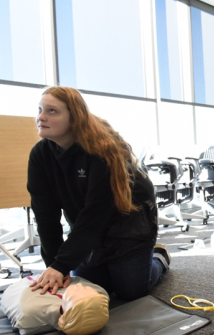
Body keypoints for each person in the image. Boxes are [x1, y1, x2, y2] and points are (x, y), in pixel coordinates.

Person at [28, 86, 171, 301]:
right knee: (92, 289)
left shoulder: (100, 152)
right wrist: (56, 267)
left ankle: (159, 257)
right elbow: (45, 216)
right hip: (89, 222)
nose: (41, 117)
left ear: (74, 118)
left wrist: (62, 264)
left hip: (129, 220)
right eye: (40, 109)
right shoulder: (40, 155)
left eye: (52, 111)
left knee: (130, 291)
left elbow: (96, 214)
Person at [1, 276, 109, 335]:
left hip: (23, 286)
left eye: (77, 290)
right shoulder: (100, 292)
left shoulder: (28, 313)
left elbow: (25, 329)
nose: (79, 285)